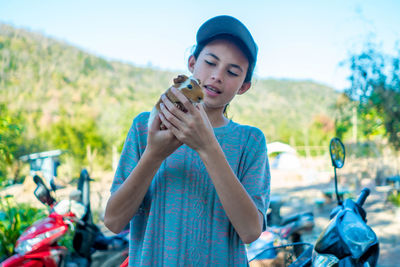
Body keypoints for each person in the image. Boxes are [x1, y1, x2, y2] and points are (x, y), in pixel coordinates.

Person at [104, 15, 270, 266]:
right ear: (192, 63)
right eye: (210, 62)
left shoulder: (250, 141)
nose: (217, 76)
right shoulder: (146, 127)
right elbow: (114, 221)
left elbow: (249, 231)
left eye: (232, 72)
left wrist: (208, 146)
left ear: (244, 86)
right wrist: (154, 154)